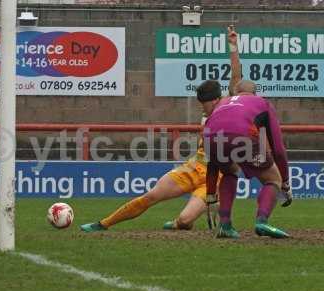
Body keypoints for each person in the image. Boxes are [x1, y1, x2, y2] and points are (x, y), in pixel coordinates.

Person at [80, 26, 242, 233]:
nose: (202, 108)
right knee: (151, 196)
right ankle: (103, 224)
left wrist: (233, 46)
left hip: (216, 176)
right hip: (193, 167)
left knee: (185, 221)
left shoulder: (229, 106)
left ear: (215, 100)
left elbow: (236, 77)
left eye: (204, 103)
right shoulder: (208, 113)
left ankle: (178, 223)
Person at [196, 79, 292, 239]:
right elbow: (278, 149)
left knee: (229, 170)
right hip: (242, 137)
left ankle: (224, 225)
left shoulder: (222, 103)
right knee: (273, 179)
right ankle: (262, 221)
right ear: (255, 93)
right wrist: (286, 183)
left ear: (235, 91)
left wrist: (211, 197)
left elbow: (212, 163)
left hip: (209, 137)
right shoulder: (262, 103)